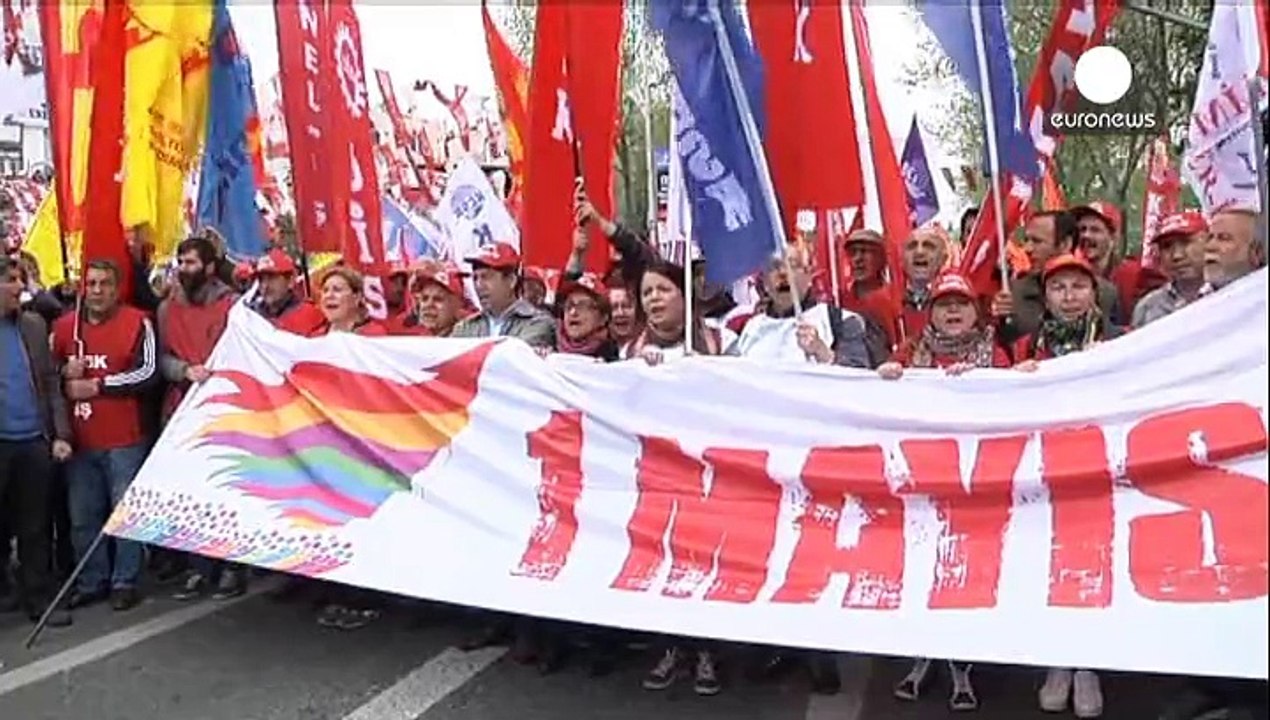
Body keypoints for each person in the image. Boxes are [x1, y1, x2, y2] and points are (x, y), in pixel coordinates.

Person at [877, 270, 1011, 713]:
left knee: (964, 573)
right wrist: (889, 375)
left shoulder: (996, 355)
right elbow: (879, 396)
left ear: (976, 312)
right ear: (930, 312)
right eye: (943, 304)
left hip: (976, 483)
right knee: (922, 569)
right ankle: (923, 654)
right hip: (922, 482)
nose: (953, 312)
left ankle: (962, 664)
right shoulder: (910, 352)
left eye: (961, 304)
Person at [1013, 253, 1123, 719]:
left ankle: (1089, 666)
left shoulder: (1124, 343)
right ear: (1047, 298)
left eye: (1079, 286)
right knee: (1050, 567)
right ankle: (1057, 662)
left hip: (1101, 471)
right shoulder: (1023, 349)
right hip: (1043, 473)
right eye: (1059, 288)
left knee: (1092, 565)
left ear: (1094, 293)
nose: (1070, 296)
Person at [50, 259, 158, 612]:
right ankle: (91, 581)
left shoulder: (137, 321)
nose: (97, 291)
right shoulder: (65, 327)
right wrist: (65, 370)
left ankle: (124, 580)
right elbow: (46, 376)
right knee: (83, 517)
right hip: (80, 440)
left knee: (123, 513)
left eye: (104, 284)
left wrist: (98, 385)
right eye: (91, 284)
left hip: (124, 437)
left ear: (116, 288)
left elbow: (148, 372)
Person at [160, 235, 245, 602]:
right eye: (181, 261)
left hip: (222, 410)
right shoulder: (167, 309)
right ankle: (197, 567)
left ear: (209, 268)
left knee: (224, 492)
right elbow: (159, 357)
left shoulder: (233, 306)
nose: (184, 269)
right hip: (180, 408)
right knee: (188, 491)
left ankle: (230, 567)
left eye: (191, 262)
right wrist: (182, 370)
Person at [0, 254, 74, 628]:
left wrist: (60, 435)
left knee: (35, 526)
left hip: (33, 441)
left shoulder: (31, 326)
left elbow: (51, 385)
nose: (19, 288)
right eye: (11, 281)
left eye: (20, 279)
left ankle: (39, 598)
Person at [992, 210, 1121, 348]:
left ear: (1065, 244)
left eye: (1037, 241)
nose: (1027, 249)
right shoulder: (1012, 294)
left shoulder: (1107, 293)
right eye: (1027, 240)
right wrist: (999, 320)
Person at [732, 246, 872, 369]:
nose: (783, 273)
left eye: (792, 265)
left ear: (809, 275)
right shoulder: (751, 329)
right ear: (764, 281)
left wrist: (822, 352)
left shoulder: (839, 321)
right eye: (774, 267)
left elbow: (858, 378)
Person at [1070, 200, 1162, 321]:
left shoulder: (1137, 276)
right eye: (1082, 229)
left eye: (1095, 230)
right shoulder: (1069, 276)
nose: (1086, 235)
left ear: (1113, 237)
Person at [450, 242, 555, 348]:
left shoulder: (537, 323)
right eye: (475, 278)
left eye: (486, 277)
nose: (479, 285)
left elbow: (516, 358)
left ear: (511, 281)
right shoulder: (465, 327)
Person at [1132, 211, 1208, 328]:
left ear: (1207, 241)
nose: (1177, 255)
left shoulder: (1230, 295)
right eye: (1166, 246)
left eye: (1185, 242)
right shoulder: (1148, 307)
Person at [249, 248, 325, 335]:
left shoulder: (311, 316)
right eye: (261, 279)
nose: (265, 286)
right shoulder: (251, 317)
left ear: (290, 281)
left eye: (272, 278)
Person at [308, 266, 390, 338]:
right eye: (325, 291)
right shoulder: (315, 337)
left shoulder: (374, 334)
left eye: (337, 290)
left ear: (357, 297)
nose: (329, 295)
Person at [388, 262, 465, 337]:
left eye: (438, 299)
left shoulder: (472, 338)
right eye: (424, 299)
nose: (428, 305)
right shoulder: (410, 340)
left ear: (457, 306)